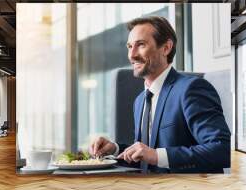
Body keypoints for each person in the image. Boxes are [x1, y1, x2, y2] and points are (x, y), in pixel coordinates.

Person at [89, 16, 230, 173]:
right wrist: (114, 149)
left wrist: (157, 156)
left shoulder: (191, 89)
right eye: (129, 47)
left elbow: (222, 150)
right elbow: (146, 157)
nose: (132, 55)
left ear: (166, 48)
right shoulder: (140, 101)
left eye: (140, 45)